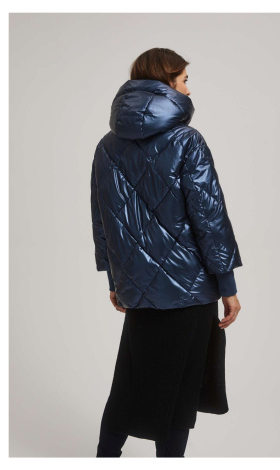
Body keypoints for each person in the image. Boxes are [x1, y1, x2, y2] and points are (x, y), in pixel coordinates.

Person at [90, 48, 243, 457]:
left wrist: (116, 280)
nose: (188, 89)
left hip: (137, 290)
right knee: (179, 390)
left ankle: (104, 457)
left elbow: (104, 219)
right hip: (190, 290)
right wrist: (227, 285)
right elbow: (209, 218)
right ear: (167, 84)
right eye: (184, 80)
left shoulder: (107, 146)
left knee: (129, 384)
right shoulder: (187, 140)